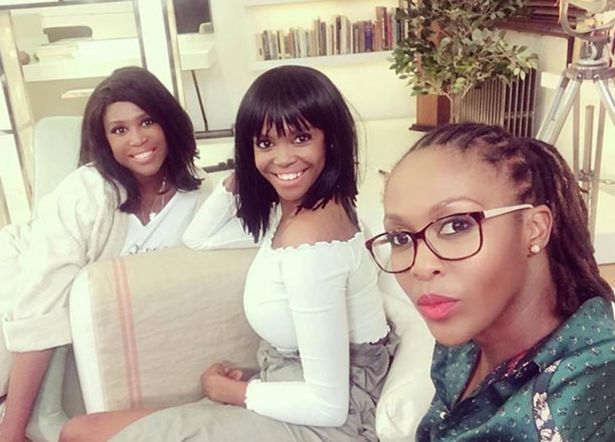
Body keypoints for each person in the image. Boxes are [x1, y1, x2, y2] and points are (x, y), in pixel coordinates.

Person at [60, 65, 395, 442]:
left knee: (84, 435)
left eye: (300, 138)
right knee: (80, 430)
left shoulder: (310, 239)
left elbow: (328, 404)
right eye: (265, 143)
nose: (282, 159)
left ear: (330, 140)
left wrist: (230, 392)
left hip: (326, 422)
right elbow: (198, 238)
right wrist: (243, 175)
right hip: (290, 388)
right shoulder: (298, 210)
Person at [365, 122, 615, 441]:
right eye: (401, 237)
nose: (422, 266)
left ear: (534, 229)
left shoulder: (591, 403)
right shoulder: (464, 339)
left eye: (456, 225)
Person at [0, 66, 211, 442]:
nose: (137, 138)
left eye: (147, 121)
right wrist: (12, 431)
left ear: (168, 122)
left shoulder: (203, 197)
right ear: (105, 141)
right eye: (119, 130)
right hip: (20, 274)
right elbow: (40, 303)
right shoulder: (88, 192)